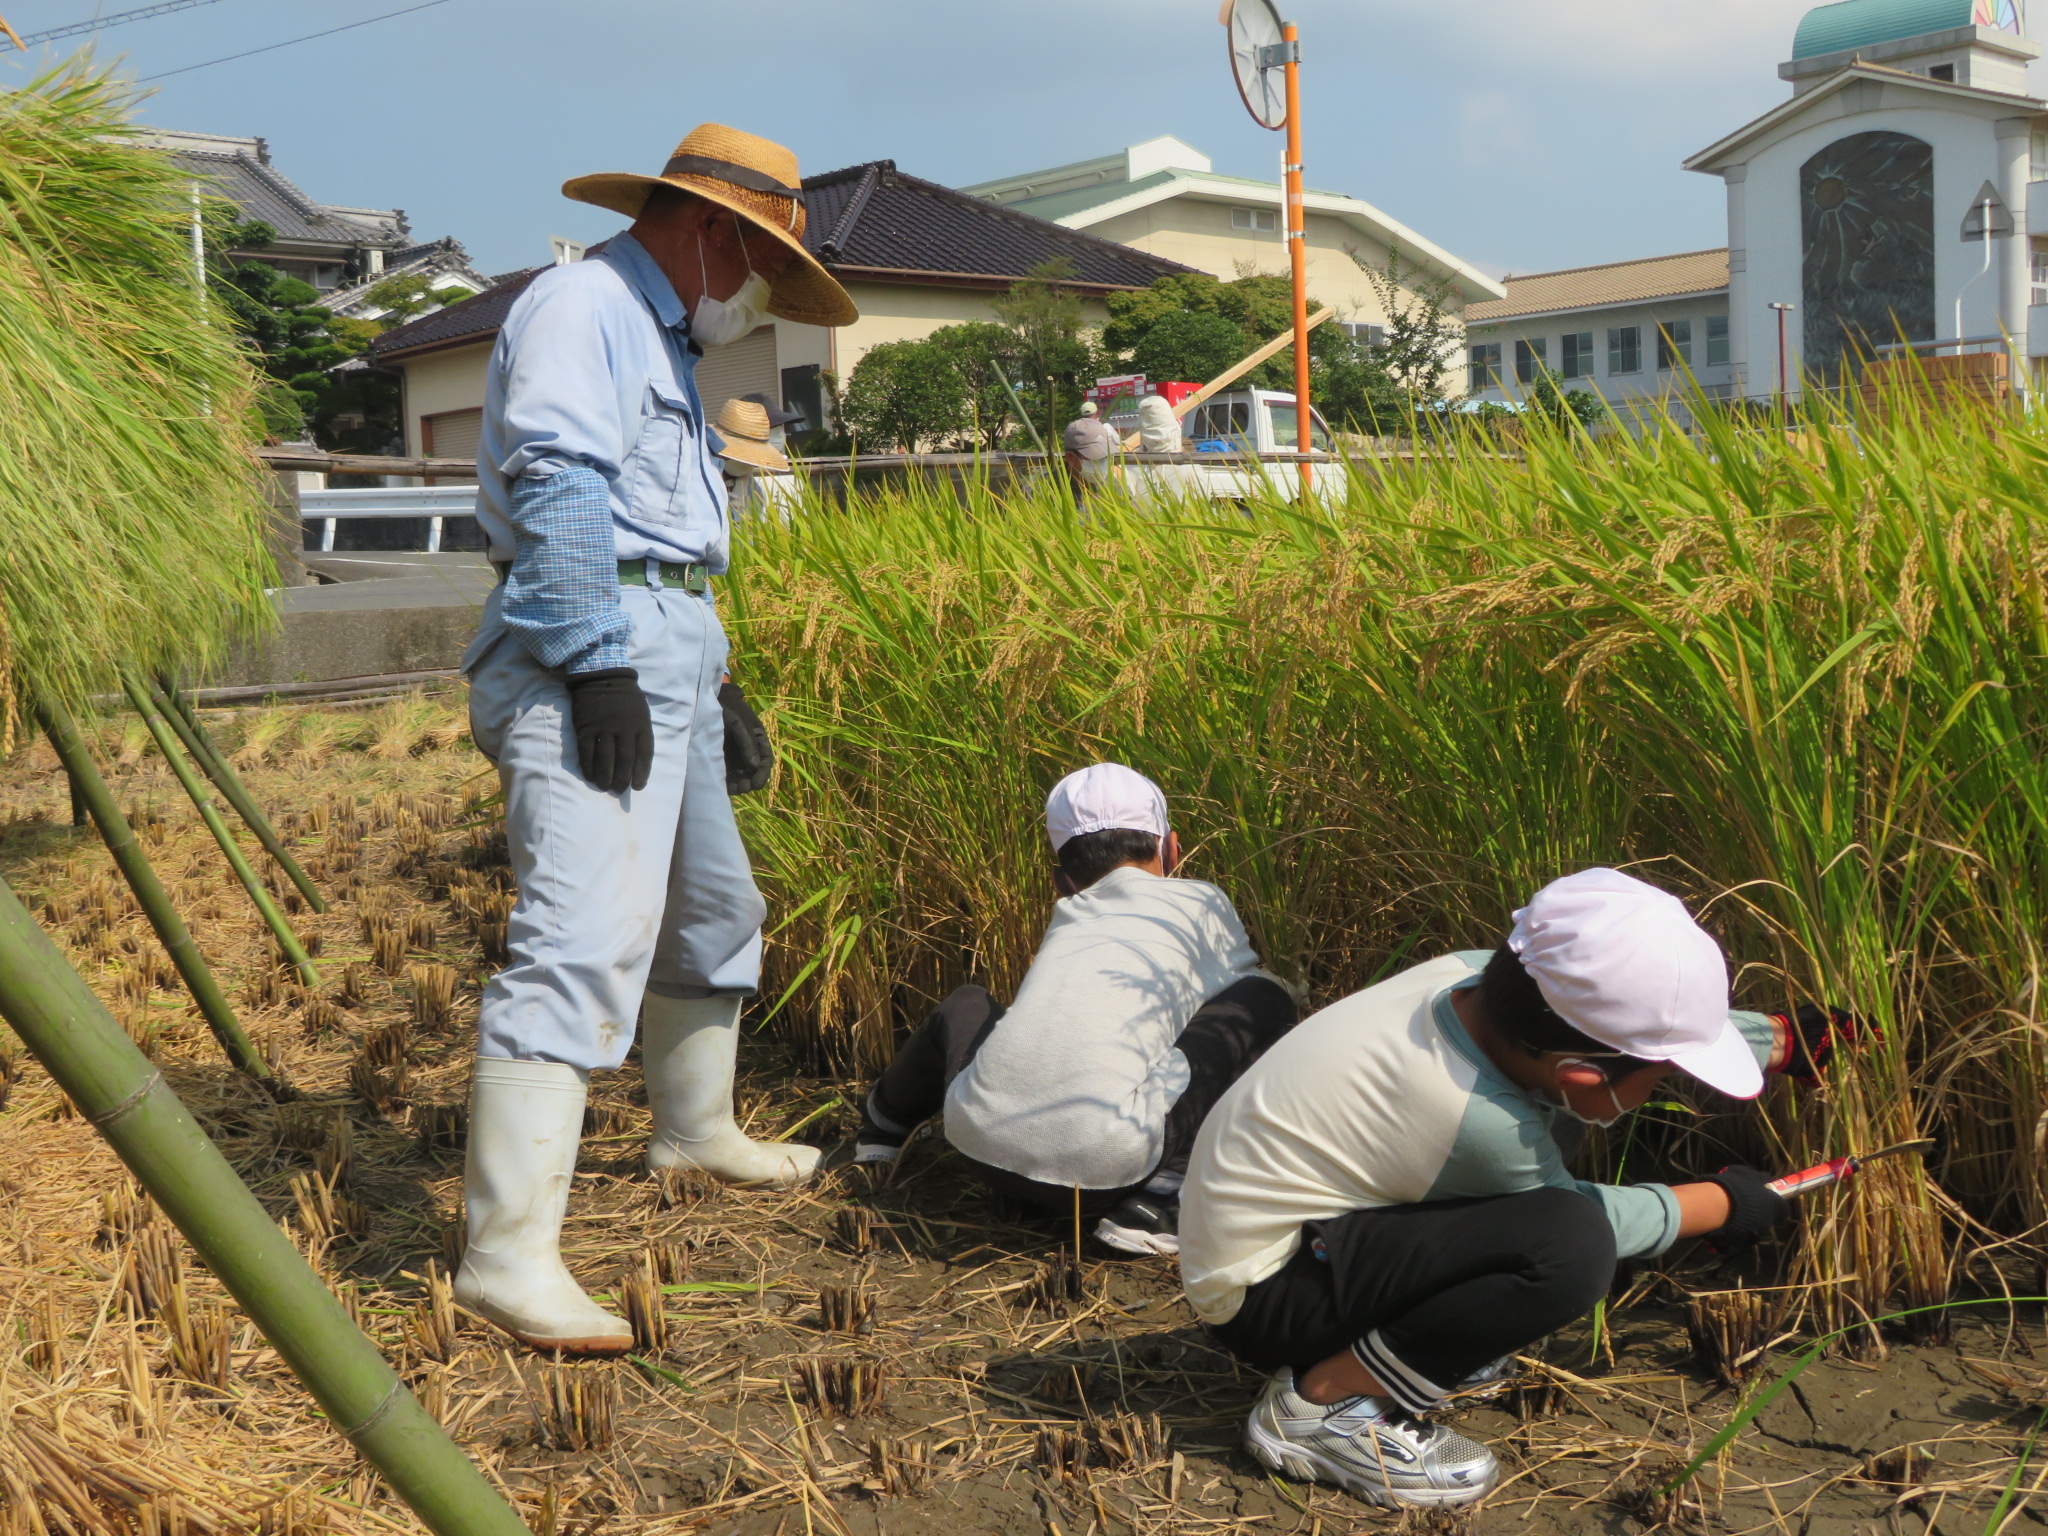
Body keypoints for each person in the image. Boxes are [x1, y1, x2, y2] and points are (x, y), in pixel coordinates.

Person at [454, 124, 859, 1356]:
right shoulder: (585, 301)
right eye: (760, 267)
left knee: (710, 902)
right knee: (581, 930)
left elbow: (661, 522)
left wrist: (711, 677)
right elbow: (564, 484)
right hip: (593, 637)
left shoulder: (663, 335)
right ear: (717, 232)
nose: (754, 298)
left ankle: (693, 1128)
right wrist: (595, 667)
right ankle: (506, 1255)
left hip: (667, 629)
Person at [1179, 867, 1874, 1507]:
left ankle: (1395, 1348)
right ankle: (1321, 1407)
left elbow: (1627, 1031)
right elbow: (1575, 1218)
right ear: (1581, 1074)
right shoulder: (1471, 1121)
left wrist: (1779, 1040)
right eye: (1661, 1077)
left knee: (1552, 1221)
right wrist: (1724, 1203)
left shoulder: (1485, 980)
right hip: (1265, 1295)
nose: (1665, 1082)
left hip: (1307, 1235)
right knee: (1568, 1252)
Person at [853, 763, 1298, 1256]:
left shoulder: (1069, 914)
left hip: (976, 1145)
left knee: (969, 1002)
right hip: (1107, 1170)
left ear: (1062, 881)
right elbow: (1229, 1013)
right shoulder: (1204, 900)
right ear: (1171, 849)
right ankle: (1159, 1202)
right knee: (1263, 998)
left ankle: (881, 1126)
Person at [1062, 400, 1120, 503]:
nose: (1103, 463)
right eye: (1096, 457)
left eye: (1106, 456)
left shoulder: (1116, 485)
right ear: (1071, 458)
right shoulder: (1048, 491)